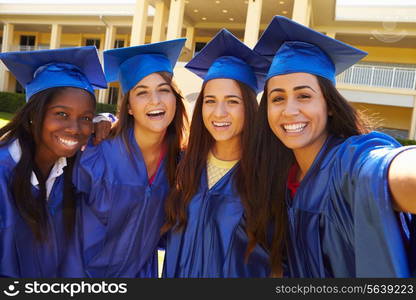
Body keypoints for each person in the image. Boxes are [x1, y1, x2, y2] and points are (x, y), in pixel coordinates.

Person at [247, 15, 416, 278]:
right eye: (277, 98)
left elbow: (385, 167)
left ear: (329, 106)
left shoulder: (349, 161)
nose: (289, 110)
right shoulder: (280, 180)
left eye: (304, 95)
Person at [63, 39, 188, 277]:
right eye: (142, 93)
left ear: (175, 99)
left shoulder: (181, 165)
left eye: (164, 90)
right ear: (129, 107)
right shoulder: (95, 155)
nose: (155, 101)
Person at [162, 29, 271, 277]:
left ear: (249, 107)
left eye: (232, 101)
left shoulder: (267, 176)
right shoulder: (182, 164)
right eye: (210, 101)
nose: (219, 112)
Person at [0, 46, 107, 277]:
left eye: (86, 118)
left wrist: (105, 120)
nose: (75, 128)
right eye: (61, 114)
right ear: (33, 114)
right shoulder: (3, 174)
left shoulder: (68, 172)